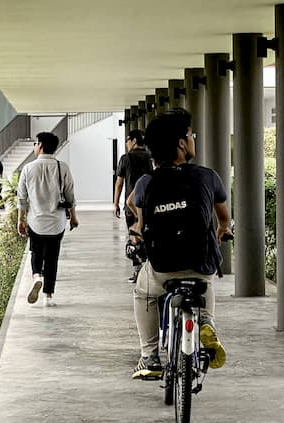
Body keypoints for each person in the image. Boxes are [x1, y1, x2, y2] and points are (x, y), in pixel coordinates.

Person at [126, 108, 232, 380]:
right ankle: (206, 320)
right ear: (182, 144)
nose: (192, 139)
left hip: (163, 267)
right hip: (201, 262)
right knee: (205, 281)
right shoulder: (208, 176)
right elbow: (223, 216)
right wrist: (223, 229)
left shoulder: (146, 183)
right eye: (190, 135)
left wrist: (138, 228)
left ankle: (149, 356)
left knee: (144, 293)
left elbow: (136, 213)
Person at [17, 132, 79, 308]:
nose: (34, 147)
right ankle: (48, 296)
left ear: (41, 145)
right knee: (52, 257)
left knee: (36, 252)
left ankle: (37, 277)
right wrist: (73, 217)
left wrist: (20, 220)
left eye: (35, 143)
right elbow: (70, 195)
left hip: (36, 222)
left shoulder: (28, 169)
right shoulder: (62, 167)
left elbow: (21, 198)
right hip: (56, 222)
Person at [112, 129, 152, 283]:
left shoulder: (126, 158)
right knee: (149, 234)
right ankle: (150, 268)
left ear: (134, 141)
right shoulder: (151, 157)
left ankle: (137, 272)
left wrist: (115, 204)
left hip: (131, 206)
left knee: (134, 236)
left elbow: (119, 183)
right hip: (148, 204)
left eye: (128, 140)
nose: (127, 143)